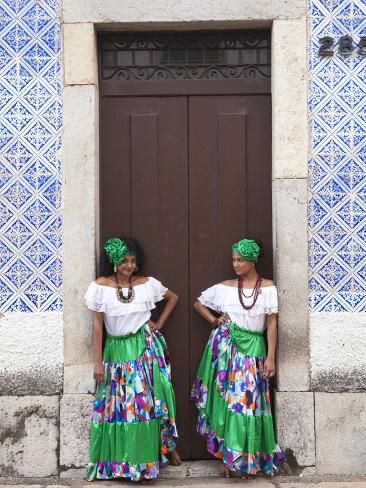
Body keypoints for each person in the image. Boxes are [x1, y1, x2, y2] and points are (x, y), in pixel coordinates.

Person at [85, 236, 181, 482]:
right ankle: (122, 461)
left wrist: (158, 323)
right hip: (116, 353)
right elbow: (98, 328)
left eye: (133, 261)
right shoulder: (100, 286)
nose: (129, 266)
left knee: (144, 405)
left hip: (142, 350)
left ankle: (152, 455)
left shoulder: (146, 284)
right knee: (119, 408)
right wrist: (97, 362)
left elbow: (173, 298)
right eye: (124, 261)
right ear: (114, 262)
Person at [190, 238, 284, 478]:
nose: (236, 264)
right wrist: (214, 320)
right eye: (233, 260)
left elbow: (271, 324)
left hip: (253, 351)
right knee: (228, 403)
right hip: (227, 352)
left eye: (240, 260)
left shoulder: (268, 288)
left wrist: (270, 358)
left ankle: (248, 457)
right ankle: (228, 457)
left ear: (252, 260)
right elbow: (198, 304)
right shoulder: (226, 287)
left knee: (248, 405)